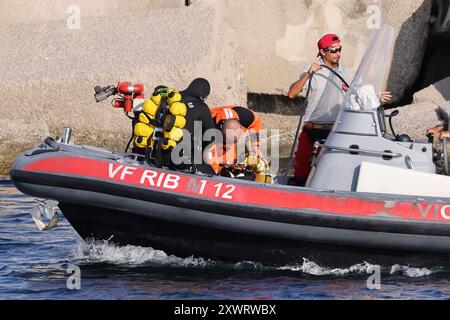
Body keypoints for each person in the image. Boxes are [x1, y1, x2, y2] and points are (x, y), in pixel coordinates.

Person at [287, 33, 392, 186]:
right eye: (333, 51)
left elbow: (358, 94)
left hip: (335, 132)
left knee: (328, 176)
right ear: (323, 52)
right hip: (312, 130)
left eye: (339, 50)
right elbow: (292, 93)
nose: (338, 54)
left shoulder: (345, 72)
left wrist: (375, 97)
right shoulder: (313, 70)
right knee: (301, 176)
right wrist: (309, 74)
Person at [175, 77, 217, 174]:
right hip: (182, 159)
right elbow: (211, 137)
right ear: (204, 96)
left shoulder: (173, 98)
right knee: (213, 176)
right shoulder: (201, 107)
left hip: (158, 153)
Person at [208, 106, 265, 177]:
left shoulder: (246, 116)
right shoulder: (208, 127)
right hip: (211, 143)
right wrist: (219, 170)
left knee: (232, 166)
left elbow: (257, 122)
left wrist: (255, 145)